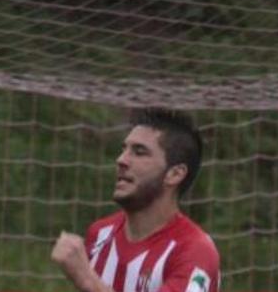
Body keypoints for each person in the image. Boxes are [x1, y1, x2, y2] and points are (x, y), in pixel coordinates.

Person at [52, 107, 220, 292]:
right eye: (124, 150)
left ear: (175, 174)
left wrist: (87, 280)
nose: (121, 160)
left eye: (139, 152)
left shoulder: (195, 250)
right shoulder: (100, 234)